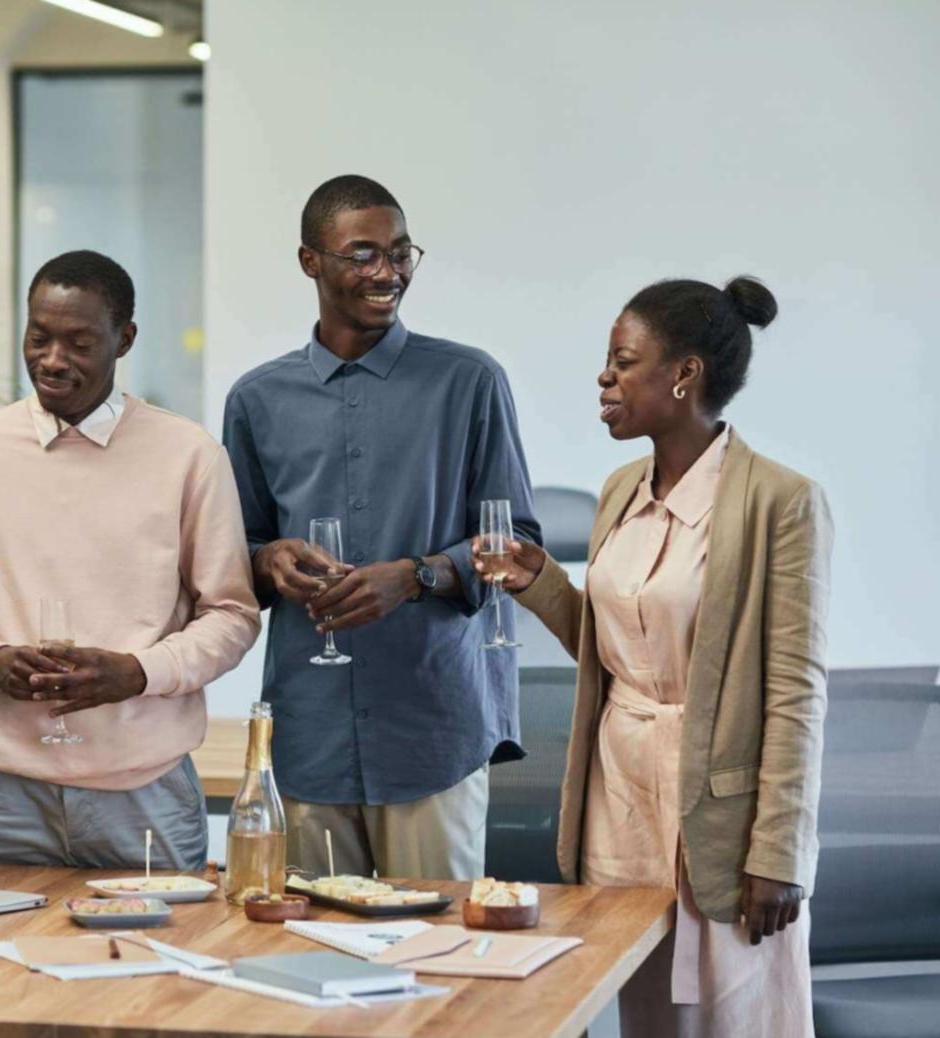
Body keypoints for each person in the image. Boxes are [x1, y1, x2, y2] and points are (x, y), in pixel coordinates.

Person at [476, 276, 830, 1037]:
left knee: (737, 1014)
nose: (604, 379)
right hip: (620, 799)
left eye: (623, 361)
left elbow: (795, 694)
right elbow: (612, 651)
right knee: (650, 1016)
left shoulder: (781, 501)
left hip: (723, 817)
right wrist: (540, 583)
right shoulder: (618, 491)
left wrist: (780, 852)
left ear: (684, 374)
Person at [222, 174, 539, 882]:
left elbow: (516, 542)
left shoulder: (470, 381)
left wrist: (418, 576)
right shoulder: (256, 400)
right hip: (309, 734)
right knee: (307, 938)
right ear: (310, 261)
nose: (387, 272)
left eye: (400, 253)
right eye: (363, 254)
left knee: (440, 944)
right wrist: (268, 560)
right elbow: (234, 553)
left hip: (433, 729)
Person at [0, 250, 261, 869]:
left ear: (124, 340)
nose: (52, 360)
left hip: (145, 789)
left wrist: (138, 672)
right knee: (1, 938)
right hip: (3, 791)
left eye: (78, 343)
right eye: (38, 338)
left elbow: (232, 614)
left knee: (168, 938)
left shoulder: (190, 455)